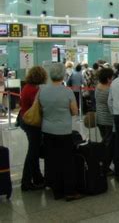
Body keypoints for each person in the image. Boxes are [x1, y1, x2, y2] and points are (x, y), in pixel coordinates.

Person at [39, 62, 82, 201]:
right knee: (66, 161)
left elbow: (40, 109)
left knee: (51, 160)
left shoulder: (42, 91)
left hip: (47, 130)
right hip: (63, 131)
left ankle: (55, 189)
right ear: (63, 75)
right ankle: (69, 191)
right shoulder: (67, 92)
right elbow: (75, 111)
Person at [19, 66, 48, 191]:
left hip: (24, 119)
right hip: (32, 123)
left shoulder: (26, 87)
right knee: (33, 152)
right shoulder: (35, 91)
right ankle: (26, 182)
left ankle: (37, 178)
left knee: (34, 150)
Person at [95, 67, 115, 172]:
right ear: (108, 79)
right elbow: (111, 105)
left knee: (104, 141)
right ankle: (105, 166)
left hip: (99, 119)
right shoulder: (108, 90)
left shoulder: (98, 87)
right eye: (112, 77)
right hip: (108, 120)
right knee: (108, 144)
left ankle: (102, 163)